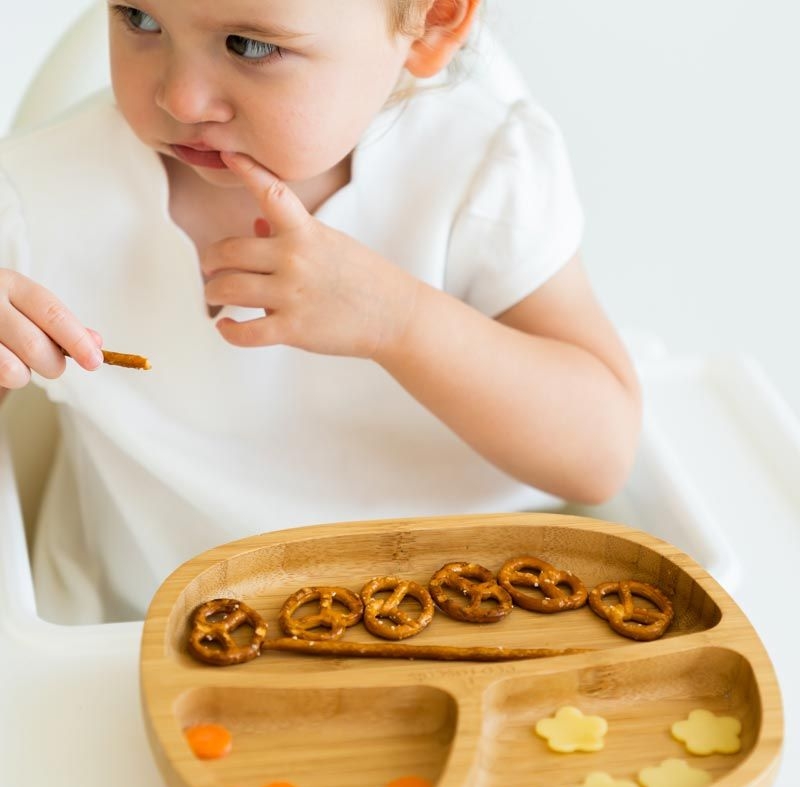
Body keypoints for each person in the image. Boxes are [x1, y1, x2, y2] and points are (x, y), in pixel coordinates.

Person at [0, 0, 641, 624]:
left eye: (250, 46)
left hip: (472, 613)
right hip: (143, 630)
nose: (182, 98)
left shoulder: (481, 171)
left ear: (431, 22)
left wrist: (399, 320)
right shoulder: (37, 197)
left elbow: (600, 456)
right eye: (140, 19)